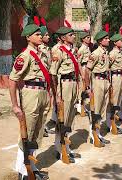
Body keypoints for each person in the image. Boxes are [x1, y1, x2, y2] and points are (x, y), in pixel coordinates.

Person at [9, 23, 50, 180]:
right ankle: (22, 171)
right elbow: (12, 80)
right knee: (27, 132)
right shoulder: (24, 56)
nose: (41, 36)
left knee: (38, 131)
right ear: (28, 37)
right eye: (37, 34)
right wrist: (15, 105)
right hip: (31, 94)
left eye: (41, 34)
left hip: (43, 93)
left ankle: (31, 166)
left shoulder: (42, 54)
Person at [50, 25, 81, 163]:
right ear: (63, 38)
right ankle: (59, 147)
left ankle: (66, 145)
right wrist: (56, 93)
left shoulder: (73, 50)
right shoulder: (58, 50)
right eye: (71, 35)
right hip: (64, 85)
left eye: (73, 34)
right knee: (62, 118)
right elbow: (53, 73)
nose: (74, 36)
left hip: (73, 84)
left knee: (70, 117)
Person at [85, 29, 111, 146]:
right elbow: (87, 70)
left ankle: (98, 133)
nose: (108, 40)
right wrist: (88, 87)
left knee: (101, 109)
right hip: (97, 82)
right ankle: (93, 135)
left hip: (105, 81)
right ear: (100, 41)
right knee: (96, 110)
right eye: (106, 39)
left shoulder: (105, 53)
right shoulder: (95, 53)